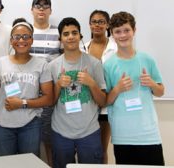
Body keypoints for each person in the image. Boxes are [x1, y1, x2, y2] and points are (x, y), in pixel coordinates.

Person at [104, 11, 165, 165]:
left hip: (148, 133)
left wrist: (151, 83)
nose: (123, 35)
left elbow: (160, 91)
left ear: (134, 31)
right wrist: (117, 89)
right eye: (118, 31)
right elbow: (105, 101)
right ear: (112, 34)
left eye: (127, 30)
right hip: (122, 134)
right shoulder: (108, 65)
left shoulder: (147, 59)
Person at [49, 17, 106, 168]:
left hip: (89, 132)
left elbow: (103, 101)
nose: (71, 37)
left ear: (80, 36)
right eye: (66, 34)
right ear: (60, 38)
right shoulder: (53, 66)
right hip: (60, 132)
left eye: (74, 33)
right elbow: (50, 102)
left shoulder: (94, 63)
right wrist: (58, 85)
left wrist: (92, 83)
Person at [0, 18, 53, 157]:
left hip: (30, 124)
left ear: (32, 40)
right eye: (17, 36)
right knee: (5, 165)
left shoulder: (42, 64)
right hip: (4, 124)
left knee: (29, 164)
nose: (21, 40)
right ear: (11, 40)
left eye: (26, 36)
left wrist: (22, 104)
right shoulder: (0, 62)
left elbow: (49, 99)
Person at [30, 0, 61, 166]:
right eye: (37, 5)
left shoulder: (58, 32)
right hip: (29, 95)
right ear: (32, 9)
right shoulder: (26, 31)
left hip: (51, 95)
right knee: (30, 140)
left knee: (49, 141)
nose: (41, 8)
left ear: (50, 10)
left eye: (45, 5)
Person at [84, 10, 117, 164]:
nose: (97, 25)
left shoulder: (115, 47)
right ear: (89, 25)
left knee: (101, 149)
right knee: (86, 148)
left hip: (107, 105)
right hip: (86, 103)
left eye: (101, 21)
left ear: (108, 24)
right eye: (94, 21)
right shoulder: (83, 47)